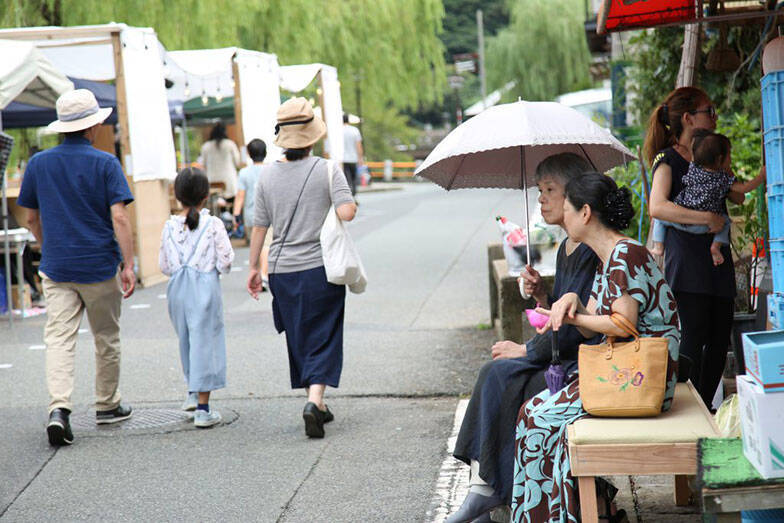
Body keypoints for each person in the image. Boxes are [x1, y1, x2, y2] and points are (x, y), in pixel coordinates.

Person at [510, 172, 680, 523]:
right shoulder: (610, 256)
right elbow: (594, 325)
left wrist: (576, 315)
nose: (564, 217)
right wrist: (571, 303)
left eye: (567, 210)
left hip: (641, 380)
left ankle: (553, 516)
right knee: (534, 415)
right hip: (624, 372)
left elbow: (623, 324)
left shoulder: (626, 254)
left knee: (538, 418)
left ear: (585, 213)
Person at [446, 153, 601, 523]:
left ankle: (486, 490)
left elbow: (577, 326)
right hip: (565, 355)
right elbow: (561, 312)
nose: (542, 199)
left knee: (500, 376)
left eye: (550, 190)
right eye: (539, 190)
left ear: (575, 197)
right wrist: (542, 295)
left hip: (584, 363)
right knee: (497, 374)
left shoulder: (590, 250)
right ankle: (484, 488)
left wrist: (526, 349)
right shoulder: (566, 248)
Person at [16, 89, 136, 446]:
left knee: (59, 339)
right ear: (93, 126)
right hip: (99, 265)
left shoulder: (39, 164)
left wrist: (47, 244)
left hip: (57, 267)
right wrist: (128, 264)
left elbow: (31, 217)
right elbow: (119, 217)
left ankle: (59, 409)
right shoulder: (106, 164)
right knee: (106, 337)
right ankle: (107, 405)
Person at [247, 97, 357, 438]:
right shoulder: (327, 169)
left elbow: (259, 226)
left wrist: (253, 268)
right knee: (324, 332)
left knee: (299, 334)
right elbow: (347, 211)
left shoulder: (266, 176)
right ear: (312, 136)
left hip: (281, 271)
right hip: (320, 269)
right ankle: (314, 400)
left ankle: (318, 406)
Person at [644, 87, 739, 407]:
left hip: (716, 256)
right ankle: (688, 408)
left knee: (720, 337)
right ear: (687, 118)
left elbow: (736, 194)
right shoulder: (667, 159)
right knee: (693, 337)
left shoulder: (712, 150)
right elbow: (657, 206)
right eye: (708, 111)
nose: (715, 117)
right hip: (687, 262)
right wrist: (706, 218)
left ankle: (706, 407)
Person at [160, 167, 234, 427]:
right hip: (204, 285)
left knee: (187, 339)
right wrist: (215, 270)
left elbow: (164, 266)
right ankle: (203, 408)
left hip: (177, 287)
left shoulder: (169, 226)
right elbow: (226, 260)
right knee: (206, 341)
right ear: (205, 196)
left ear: (178, 196)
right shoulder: (213, 224)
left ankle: (192, 391)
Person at [650, 130, 766, 266]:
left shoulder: (693, 168)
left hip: (680, 221)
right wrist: (761, 176)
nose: (731, 158)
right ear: (719, 159)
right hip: (704, 227)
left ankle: (658, 246)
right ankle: (715, 247)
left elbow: (694, 152)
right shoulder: (722, 179)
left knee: (659, 219)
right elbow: (744, 189)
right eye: (729, 154)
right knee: (726, 221)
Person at [200, 122, 241, 200]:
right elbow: (237, 162)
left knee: (214, 203)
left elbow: (203, 165)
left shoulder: (205, 146)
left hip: (212, 182)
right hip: (229, 182)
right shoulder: (230, 144)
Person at [342, 113, 364, 195]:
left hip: (342, 158)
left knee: (345, 179)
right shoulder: (355, 130)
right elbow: (359, 145)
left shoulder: (338, 130)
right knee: (353, 178)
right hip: (353, 158)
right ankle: (353, 195)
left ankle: (347, 195)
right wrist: (360, 158)